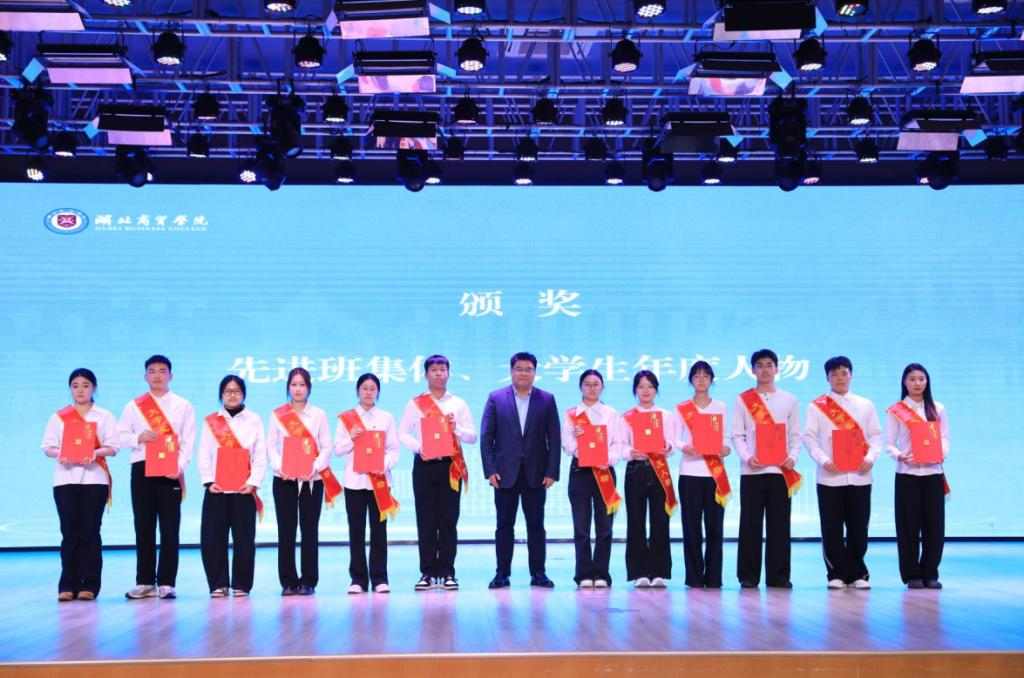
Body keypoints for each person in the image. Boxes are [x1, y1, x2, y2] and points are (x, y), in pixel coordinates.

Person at [480, 351, 561, 589]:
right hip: (504, 474)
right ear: (511, 371)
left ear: (535, 373)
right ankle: (501, 573)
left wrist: (552, 471)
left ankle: (539, 573)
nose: (523, 373)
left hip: (537, 473)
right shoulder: (496, 398)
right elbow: (487, 437)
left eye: (528, 369)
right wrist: (490, 470)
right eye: (519, 369)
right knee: (504, 526)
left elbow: (554, 438)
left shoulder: (547, 399)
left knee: (536, 526)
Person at [118, 355, 196, 600]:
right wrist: (138, 438)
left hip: (170, 470)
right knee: (143, 526)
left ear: (170, 375)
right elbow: (120, 437)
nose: (157, 376)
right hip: (141, 469)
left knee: (170, 528)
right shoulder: (134, 406)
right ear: (145, 376)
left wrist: (179, 467)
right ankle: (144, 581)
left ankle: (167, 582)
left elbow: (188, 442)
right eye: (152, 371)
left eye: (162, 371)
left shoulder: (183, 405)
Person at [802, 356, 882, 590]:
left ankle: (858, 573)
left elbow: (876, 436)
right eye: (834, 374)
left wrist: (870, 458)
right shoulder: (817, 406)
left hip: (860, 476)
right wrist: (823, 460)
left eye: (844, 373)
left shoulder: (865, 405)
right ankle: (835, 573)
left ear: (851, 375)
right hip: (830, 477)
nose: (839, 378)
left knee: (859, 527)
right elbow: (809, 437)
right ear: (827, 377)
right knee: (831, 527)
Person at [398, 355, 476, 591]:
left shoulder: (458, 404)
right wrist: (418, 447)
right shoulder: (415, 404)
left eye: (443, 369)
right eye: (434, 369)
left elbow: (472, 436)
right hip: (424, 465)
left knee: (449, 520)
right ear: (426, 375)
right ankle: (428, 572)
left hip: (450, 466)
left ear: (449, 373)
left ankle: (448, 571)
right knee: (426, 520)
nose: (439, 373)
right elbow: (402, 433)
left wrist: (456, 428)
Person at [41, 368, 119, 601]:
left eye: (85, 385)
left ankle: (89, 584)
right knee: (69, 533)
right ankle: (67, 584)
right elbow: (48, 447)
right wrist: (62, 454)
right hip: (65, 480)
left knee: (90, 533)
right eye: (75, 386)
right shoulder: (59, 416)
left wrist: (94, 453)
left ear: (94, 388)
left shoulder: (104, 416)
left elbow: (113, 447)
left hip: (94, 480)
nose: (80, 390)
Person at [731, 348, 802, 589]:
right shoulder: (743, 400)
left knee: (780, 525)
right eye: (759, 365)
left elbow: (795, 435)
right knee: (750, 524)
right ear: (752, 370)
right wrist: (747, 457)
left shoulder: (789, 399)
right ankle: (748, 575)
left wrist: (792, 457)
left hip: (781, 472)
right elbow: (737, 435)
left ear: (777, 369)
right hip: (752, 471)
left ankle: (778, 575)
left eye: (769, 365)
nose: (764, 369)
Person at [267, 367, 339, 596]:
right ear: (288, 387)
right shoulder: (277, 415)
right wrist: (281, 468)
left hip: (312, 481)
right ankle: (288, 581)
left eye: (302, 385)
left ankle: (308, 580)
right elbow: (271, 447)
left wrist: (314, 467)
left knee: (309, 531)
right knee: (286, 531)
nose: (298, 389)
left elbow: (326, 447)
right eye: (294, 384)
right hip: (284, 480)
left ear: (309, 388)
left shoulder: (319, 414)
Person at [198, 375, 266, 597]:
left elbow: (260, 454)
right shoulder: (211, 421)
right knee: (212, 539)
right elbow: (204, 454)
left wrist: (253, 482)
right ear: (221, 395)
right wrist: (209, 482)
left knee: (244, 539)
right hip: (216, 489)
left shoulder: (254, 420)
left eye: (236, 391)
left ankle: (241, 584)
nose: (232, 395)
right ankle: (218, 584)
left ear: (243, 394)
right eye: (228, 391)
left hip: (243, 489)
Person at [334, 373, 400, 594]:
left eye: (373, 388)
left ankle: (379, 578)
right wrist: (351, 438)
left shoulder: (386, 417)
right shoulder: (346, 418)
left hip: (379, 481)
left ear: (378, 392)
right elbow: (337, 449)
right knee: (356, 530)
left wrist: (384, 464)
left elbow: (393, 449)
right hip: (354, 482)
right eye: (364, 388)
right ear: (357, 391)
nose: (368, 392)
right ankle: (358, 579)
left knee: (379, 531)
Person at [885, 363, 949, 590]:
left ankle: (930, 573)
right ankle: (912, 574)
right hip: (907, 475)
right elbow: (889, 443)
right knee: (908, 526)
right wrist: (900, 456)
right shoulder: (896, 410)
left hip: (932, 474)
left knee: (934, 526)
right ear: (905, 382)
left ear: (927, 381)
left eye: (921, 379)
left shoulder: (937, 408)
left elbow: (945, 439)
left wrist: (939, 454)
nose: (917, 383)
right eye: (912, 379)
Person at [617, 370, 678, 588]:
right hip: (636, 470)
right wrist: (630, 452)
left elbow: (672, 443)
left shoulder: (665, 415)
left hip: (659, 469)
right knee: (636, 521)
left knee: (660, 521)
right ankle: (639, 572)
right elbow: (621, 445)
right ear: (635, 390)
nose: (645, 391)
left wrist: (667, 446)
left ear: (656, 390)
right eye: (641, 386)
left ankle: (659, 571)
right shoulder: (626, 416)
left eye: (650, 386)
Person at [561, 369, 621, 588]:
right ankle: (584, 574)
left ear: (602, 387)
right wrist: (577, 438)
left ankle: (601, 573)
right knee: (581, 527)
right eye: (587, 384)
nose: (592, 388)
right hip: (580, 472)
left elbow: (617, 443)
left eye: (596, 384)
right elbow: (567, 447)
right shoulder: (572, 414)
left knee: (605, 527)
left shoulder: (611, 413)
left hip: (605, 472)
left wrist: (608, 459)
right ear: (581, 387)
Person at [674, 361, 731, 589]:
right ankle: (695, 578)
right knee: (692, 529)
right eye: (697, 375)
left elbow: (725, 437)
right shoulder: (682, 408)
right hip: (689, 473)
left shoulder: (721, 407)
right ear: (691, 380)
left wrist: (725, 448)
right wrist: (684, 446)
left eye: (705, 375)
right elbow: (674, 438)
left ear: (711, 379)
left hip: (714, 474)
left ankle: (714, 577)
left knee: (715, 528)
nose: (701, 379)